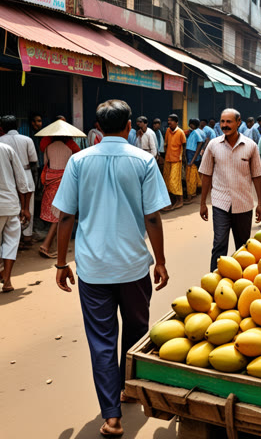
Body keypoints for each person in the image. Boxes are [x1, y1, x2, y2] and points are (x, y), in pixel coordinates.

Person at [52, 99, 169, 437]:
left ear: (98, 128)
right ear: (129, 126)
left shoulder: (78, 161)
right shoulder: (144, 160)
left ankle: (111, 416)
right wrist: (159, 261)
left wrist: (61, 263)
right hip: (133, 266)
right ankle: (127, 388)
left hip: (92, 268)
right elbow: (152, 217)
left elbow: (65, 216)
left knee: (102, 340)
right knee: (136, 330)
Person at [199, 108, 261, 272]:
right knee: (219, 243)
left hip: (244, 203)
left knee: (243, 247)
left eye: (228, 122)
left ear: (238, 122)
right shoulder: (213, 145)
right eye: (222, 122)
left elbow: (257, 175)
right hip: (220, 203)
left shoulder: (251, 146)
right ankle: (213, 279)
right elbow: (206, 174)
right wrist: (202, 203)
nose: (225, 125)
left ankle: (241, 280)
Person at [39, 132, 80, 258]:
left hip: (50, 180)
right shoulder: (69, 148)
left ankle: (53, 246)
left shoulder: (48, 148)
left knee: (55, 213)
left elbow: (46, 162)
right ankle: (46, 245)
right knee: (61, 213)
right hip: (63, 180)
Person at [0, 115, 38, 247]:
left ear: (2, 127)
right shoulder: (27, 139)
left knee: (12, 209)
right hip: (26, 174)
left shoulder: (1, 141)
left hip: (8, 176)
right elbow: (34, 161)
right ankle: (27, 237)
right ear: (17, 126)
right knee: (29, 208)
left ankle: (11, 240)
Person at [0, 143, 31, 292]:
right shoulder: (7, 149)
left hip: (9, 204)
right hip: (10, 203)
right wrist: (25, 207)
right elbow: (21, 178)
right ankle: (7, 281)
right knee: (11, 242)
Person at [163, 114, 187, 210]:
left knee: (174, 182)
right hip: (168, 159)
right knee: (167, 182)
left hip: (177, 160)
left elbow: (184, 145)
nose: (169, 122)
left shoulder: (180, 132)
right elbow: (166, 144)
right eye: (168, 120)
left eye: (171, 120)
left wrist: (184, 159)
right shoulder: (168, 131)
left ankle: (180, 201)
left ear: (176, 122)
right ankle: (171, 202)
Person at [185, 118, 205, 204]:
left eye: (190, 123)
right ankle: (196, 190)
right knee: (194, 174)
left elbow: (200, 142)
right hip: (191, 153)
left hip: (192, 153)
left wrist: (193, 159)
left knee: (190, 176)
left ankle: (191, 194)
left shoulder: (196, 132)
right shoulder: (196, 131)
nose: (189, 125)